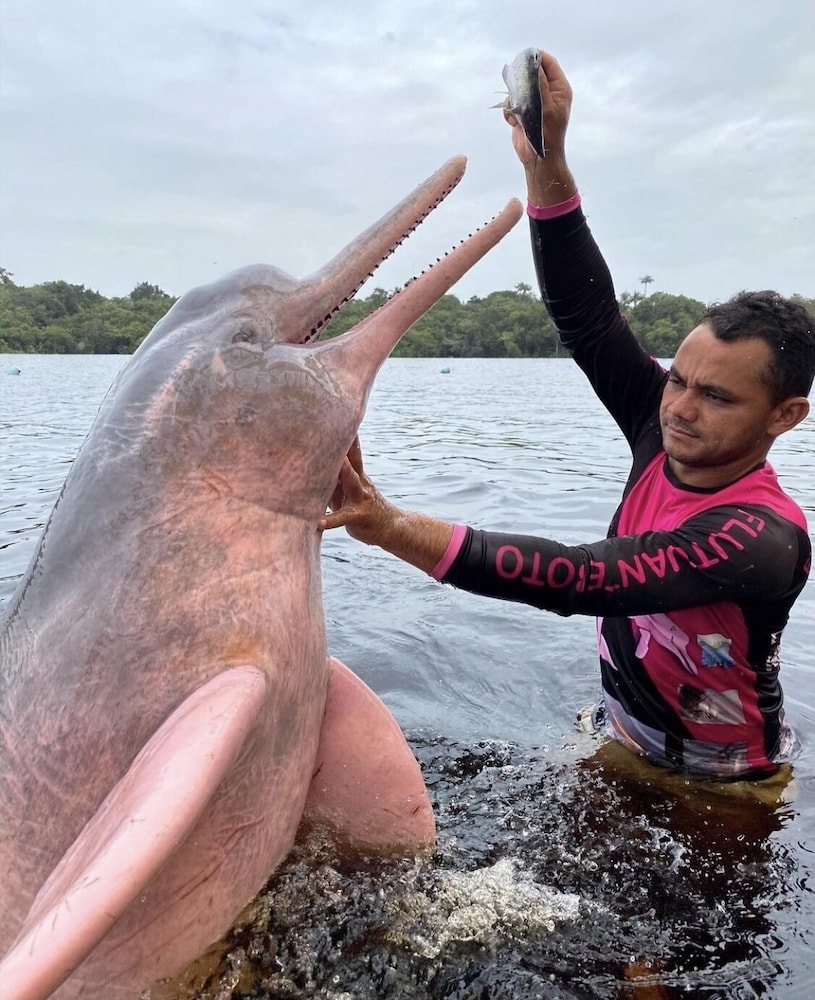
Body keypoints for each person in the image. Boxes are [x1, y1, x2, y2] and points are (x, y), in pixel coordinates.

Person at [320, 52, 814, 782]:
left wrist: (388, 525)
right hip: (621, 737)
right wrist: (544, 164)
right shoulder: (662, 425)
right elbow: (588, 319)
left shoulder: (758, 538)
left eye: (716, 397)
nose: (679, 408)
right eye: (678, 379)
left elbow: (581, 579)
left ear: (785, 415)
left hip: (721, 785)